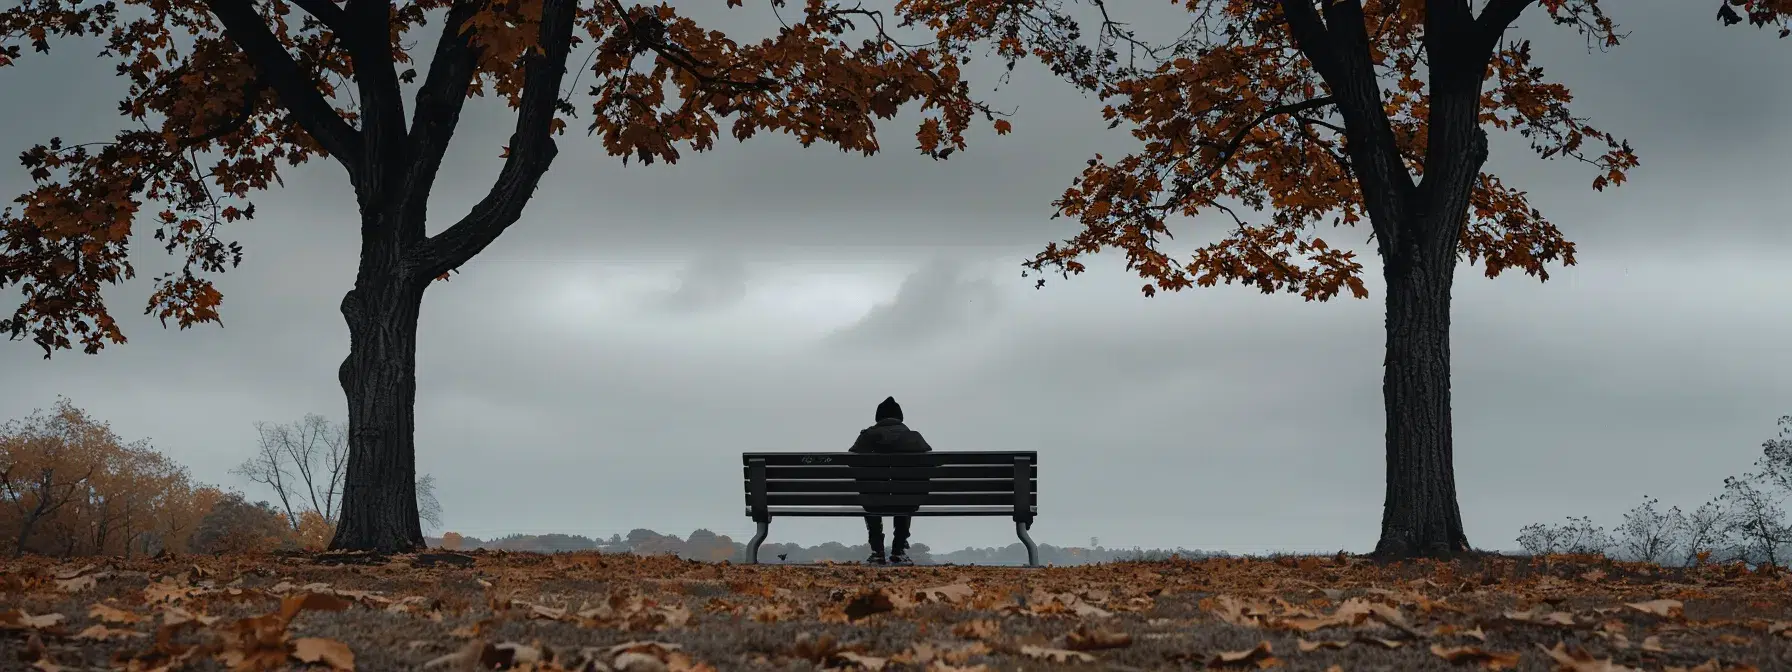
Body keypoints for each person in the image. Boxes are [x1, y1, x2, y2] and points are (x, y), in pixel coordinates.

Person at [849, 396, 931, 565]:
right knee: (907, 494)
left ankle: (877, 551)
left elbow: (851, 462)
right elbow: (929, 464)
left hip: (873, 500)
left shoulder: (867, 437)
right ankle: (898, 550)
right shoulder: (914, 438)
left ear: (878, 418)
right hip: (907, 499)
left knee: (870, 494)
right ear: (900, 418)